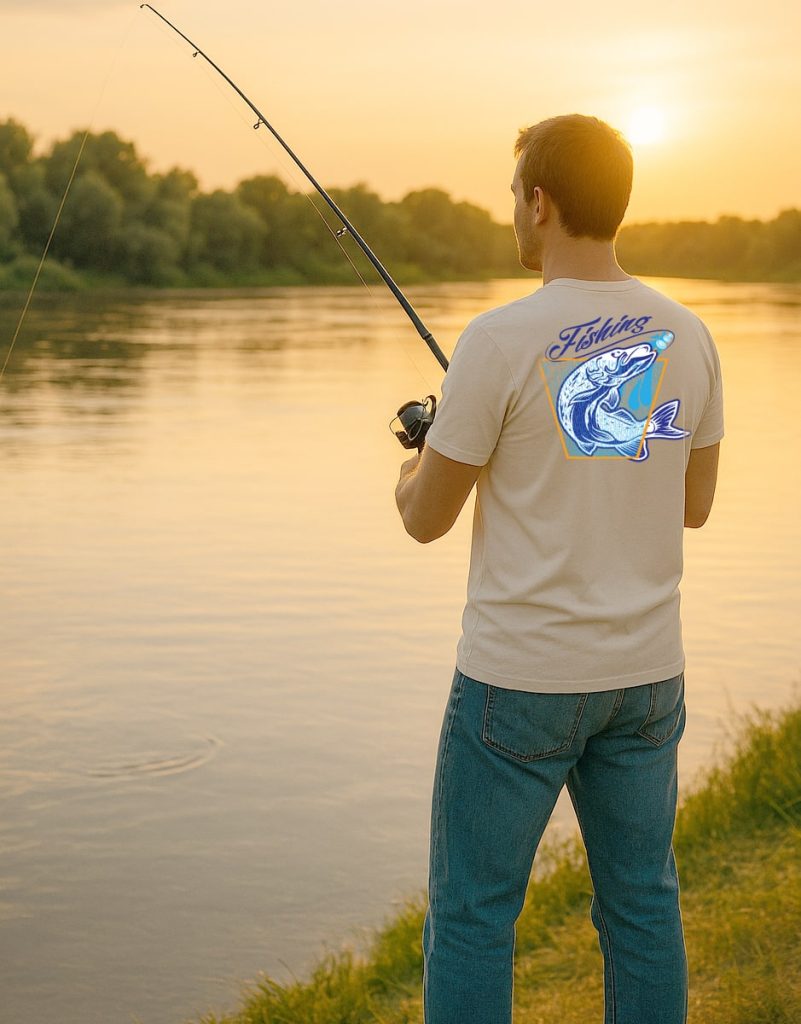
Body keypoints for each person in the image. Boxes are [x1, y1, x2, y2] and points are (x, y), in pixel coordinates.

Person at [394, 113, 723, 1024]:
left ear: (538, 203)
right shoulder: (689, 335)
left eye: (513, 195)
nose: (512, 210)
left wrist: (418, 451)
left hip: (519, 682)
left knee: (472, 915)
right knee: (641, 903)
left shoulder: (497, 342)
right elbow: (691, 506)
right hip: (646, 677)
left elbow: (426, 519)